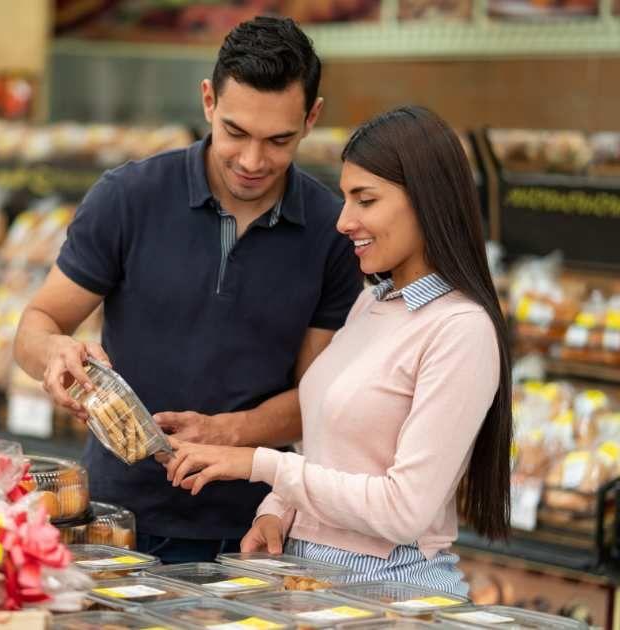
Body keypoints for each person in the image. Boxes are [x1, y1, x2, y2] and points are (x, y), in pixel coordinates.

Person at [13, 15, 362, 563]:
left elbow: (317, 400)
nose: (252, 161)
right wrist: (54, 352)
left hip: (256, 535)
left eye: (279, 140)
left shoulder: (334, 232)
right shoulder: (128, 197)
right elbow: (37, 324)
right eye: (236, 132)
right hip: (114, 522)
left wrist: (230, 433)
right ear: (207, 101)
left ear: (312, 118)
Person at [164, 106, 512, 595]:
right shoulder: (371, 301)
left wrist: (259, 463)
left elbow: (404, 508)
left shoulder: (460, 330)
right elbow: (330, 445)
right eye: (345, 198)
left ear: (427, 201)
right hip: (308, 583)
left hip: (391, 593)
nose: (344, 220)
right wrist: (276, 512)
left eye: (365, 199)